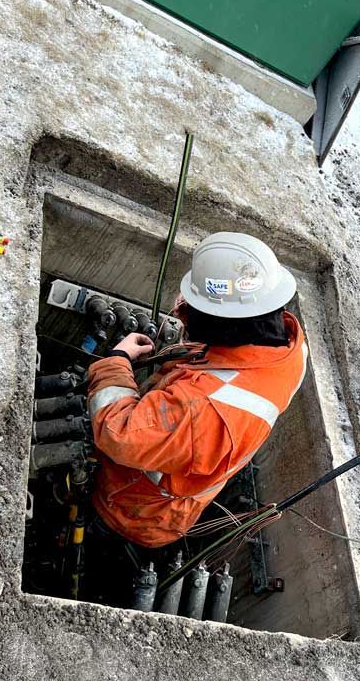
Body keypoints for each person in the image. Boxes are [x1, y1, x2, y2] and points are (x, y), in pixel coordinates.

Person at [86, 232, 308, 548]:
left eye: (196, 309)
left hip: (132, 510)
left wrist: (116, 362)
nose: (184, 311)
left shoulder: (202, 408)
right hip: (162, 488)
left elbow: (118, 432)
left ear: (226, 322)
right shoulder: (290, 349)